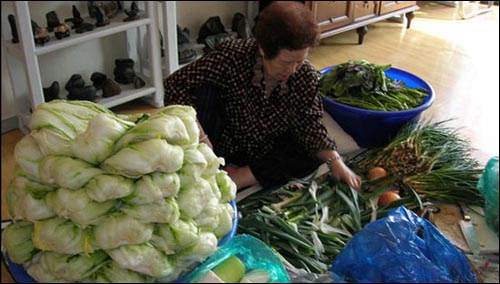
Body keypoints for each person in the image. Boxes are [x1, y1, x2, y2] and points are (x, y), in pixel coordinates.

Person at [164, 1, 362, 191]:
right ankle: (224, 167)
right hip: (225, 138)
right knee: (201, 96)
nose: (293, 70)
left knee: (306, 153)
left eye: (299, 61)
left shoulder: (305, 75)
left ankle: (240, 177)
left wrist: (335, 161)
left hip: (266, 150)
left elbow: (310, 125)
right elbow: (175, 84)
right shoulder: (232, 56)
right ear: (263, 49)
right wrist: (202, 139)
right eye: (286, 62)